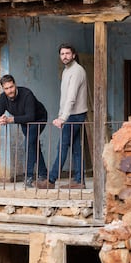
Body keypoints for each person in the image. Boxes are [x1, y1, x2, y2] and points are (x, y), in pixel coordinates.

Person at [36, 43, 88, 189]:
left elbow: (71, 97)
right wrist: (61, 115)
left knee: (62, 147)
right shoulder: (66, 71)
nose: (65, 56)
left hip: (75, 116)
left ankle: (51, 180)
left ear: (74, 55)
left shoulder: (77, 71)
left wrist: (63, 118)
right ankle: (79, 181)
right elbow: (64, 97)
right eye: (62, 54)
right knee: (77, 148)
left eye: (67, 53)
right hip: (72, 115)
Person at [0, 74, 48, 188]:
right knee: (33, 145)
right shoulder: (3, 98)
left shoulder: (27, 94)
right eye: (6, 88)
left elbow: (30, 116)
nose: (10, 91)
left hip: (38, 119)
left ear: (15, 85)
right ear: (3, 89)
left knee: (29, 143)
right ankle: (43, 173)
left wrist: (11, 119)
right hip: (23, 121)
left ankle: (28, 177)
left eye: (11, 87)